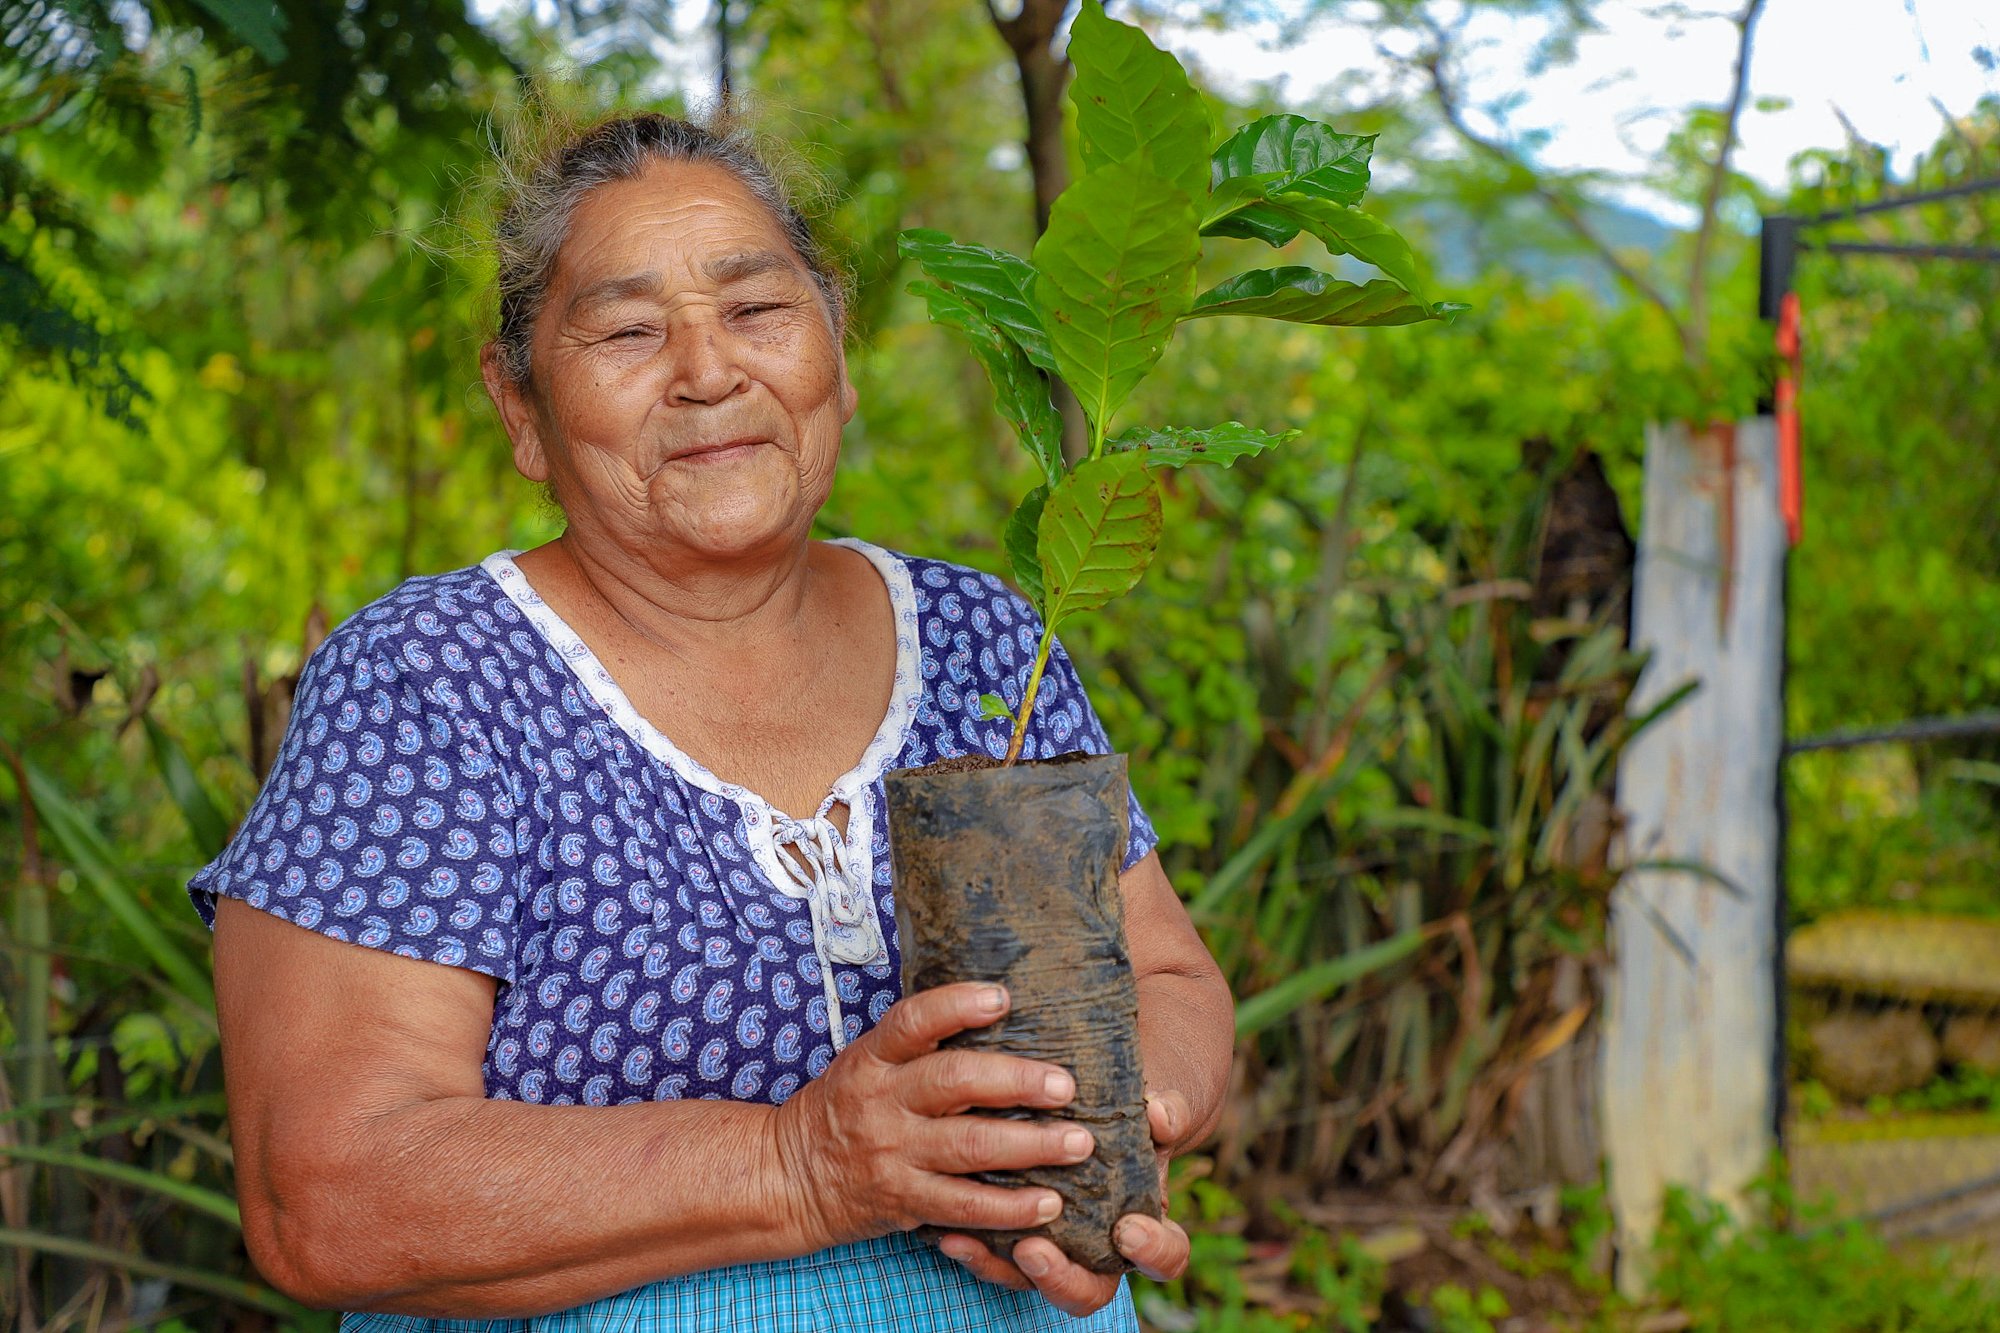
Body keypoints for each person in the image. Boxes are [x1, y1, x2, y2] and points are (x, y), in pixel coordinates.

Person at [189, 108, 1234, 1332]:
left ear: (836, 357)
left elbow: (1163, 970)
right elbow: (324, 1195)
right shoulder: (432, 682)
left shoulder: (989, 637)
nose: (706, 371)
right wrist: (800, 1165)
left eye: (755, 311)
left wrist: (1110, 1112)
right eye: (628, 329)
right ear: (518, 403)